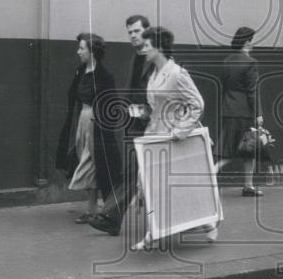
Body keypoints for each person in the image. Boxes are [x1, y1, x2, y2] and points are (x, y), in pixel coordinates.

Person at [91, 26, 220, 249]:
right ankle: (166, 230)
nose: (144, 48)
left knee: (171, 185)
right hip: (155, 134)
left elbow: (197, 104)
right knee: (150, 183)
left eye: (148, 45)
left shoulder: (177, 73)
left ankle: (201, 224)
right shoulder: (153, 74)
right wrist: (143, 112)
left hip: (175, 137)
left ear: (159, 48)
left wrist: (181, 130)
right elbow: (156, 106)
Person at [85, 14, 154, 235]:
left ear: (147, 31)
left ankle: (111, 216)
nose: (132, 36)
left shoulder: (156, 59)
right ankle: (112, 218)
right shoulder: (135, 58)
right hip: (133, 126)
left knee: (136, 173)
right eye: (130, 32)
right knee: (131, 173)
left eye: (136, 31)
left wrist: (139, 110)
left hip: (152, 126)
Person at [56, 33, 122, 222]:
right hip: (81, 121)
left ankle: (105, 209)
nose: (78, 51)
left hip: (95, 123)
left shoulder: (104, 76)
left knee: (90, 162)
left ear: (92, 52)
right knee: (85, 160)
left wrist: (99, 122)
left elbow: (112, 104)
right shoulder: (80, 71)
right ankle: (93, 209)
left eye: (81, 48)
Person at [215, 25, 263, 197]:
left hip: (229, 110)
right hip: (244, 112)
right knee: (247, 150)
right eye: (252, 41)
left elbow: (224, 87)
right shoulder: (251, 63)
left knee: (234, 149)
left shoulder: (226, 61)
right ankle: (213, 176)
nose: (253, 44)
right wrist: (258, 113)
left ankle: (248, 186)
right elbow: (252, 92)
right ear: (247, 42)